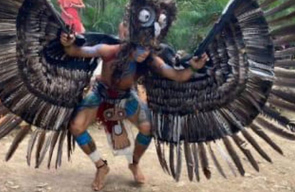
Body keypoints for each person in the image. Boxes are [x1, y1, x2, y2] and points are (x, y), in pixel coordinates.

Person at [60, 32, 208, 191]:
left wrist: (194, 67)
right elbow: (76, 52)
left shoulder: (149, 59)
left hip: (126, 96)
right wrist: (68, 44)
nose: (144, 52)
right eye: (141, 47)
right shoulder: (110, 51)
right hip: (100, 94)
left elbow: (177, 75)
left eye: (148, 48)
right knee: (76, 127)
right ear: (131, 43)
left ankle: (134, 163)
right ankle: (101, 166)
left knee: (147, 128)